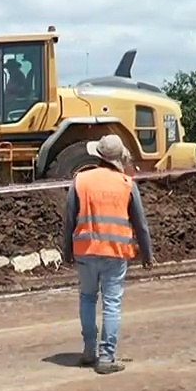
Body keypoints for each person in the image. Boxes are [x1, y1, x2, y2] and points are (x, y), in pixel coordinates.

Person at [61, 134, 155, 374]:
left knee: (87, 298)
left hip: (86, 250)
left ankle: (89, 351)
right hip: (116, 252)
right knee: (112, 303)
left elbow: (69, 219)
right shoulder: (126, 183)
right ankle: (106, 357)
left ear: (98, 155)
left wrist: (67, 251)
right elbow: (140, 223)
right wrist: (147, 254)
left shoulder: (80, 181)